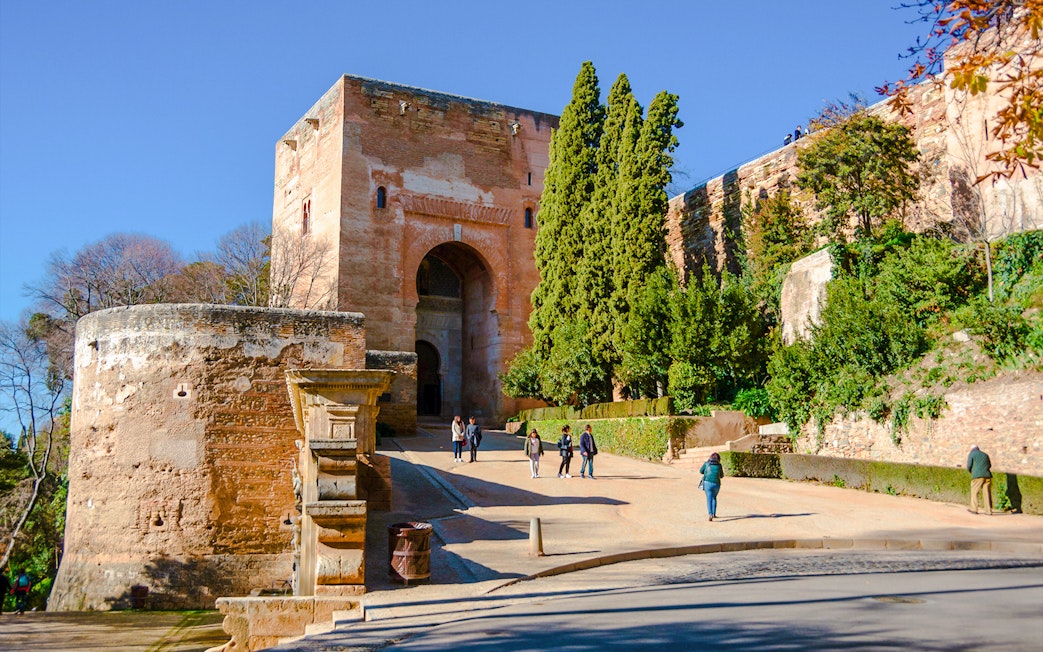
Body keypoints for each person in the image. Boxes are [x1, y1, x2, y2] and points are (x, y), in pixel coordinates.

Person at [966, 445, 993, 515]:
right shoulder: (985, 455)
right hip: (987, 476)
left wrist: (972, 472)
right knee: (987, 493)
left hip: (977, 476)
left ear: (971, 449)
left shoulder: (972, 454)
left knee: (974, 492)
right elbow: (989, 465)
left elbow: (969, 465)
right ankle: (988, 511)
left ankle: (974, 509)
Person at [700, 452, 724, 521]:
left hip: (707, 482)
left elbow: (701, 471)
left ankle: (710, 514)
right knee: (714, 497)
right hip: (717, 484)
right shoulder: (719, 466)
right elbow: (721, 476)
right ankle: (714, 513)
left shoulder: (706, 464)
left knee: (709, 498)